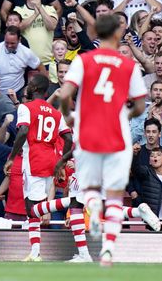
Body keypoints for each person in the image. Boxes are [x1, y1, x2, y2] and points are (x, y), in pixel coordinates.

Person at [58, 14, 147, 267]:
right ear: (118, 34)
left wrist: (69, 115)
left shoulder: (84, 60)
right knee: (116, 195)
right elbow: (140, 104)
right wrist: (126, 113)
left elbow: (65, 93)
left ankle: (94, 208)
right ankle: (108, 250)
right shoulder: (128, 65)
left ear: (95, 32)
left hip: (88, 132)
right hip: (117, 134)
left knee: (91, 188)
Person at [5, 75, 75, 262]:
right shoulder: (55, 112)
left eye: (29, 84)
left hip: (34, 160)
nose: (27, 86)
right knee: (36, 208)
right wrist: (60, 163)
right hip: (50, 161)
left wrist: (12, 157)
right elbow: (68, 139)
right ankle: (35, 252)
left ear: (34, 87)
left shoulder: (25, 108)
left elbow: (23, 131)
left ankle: (73, 202)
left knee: (32, 209)